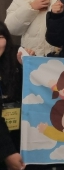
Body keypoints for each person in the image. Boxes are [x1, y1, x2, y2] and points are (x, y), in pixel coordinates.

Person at [0, 22, 26, 170]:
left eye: (0, 37)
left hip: (18, 137)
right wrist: (7, 152)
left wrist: (26, 65)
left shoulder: (14, 59)